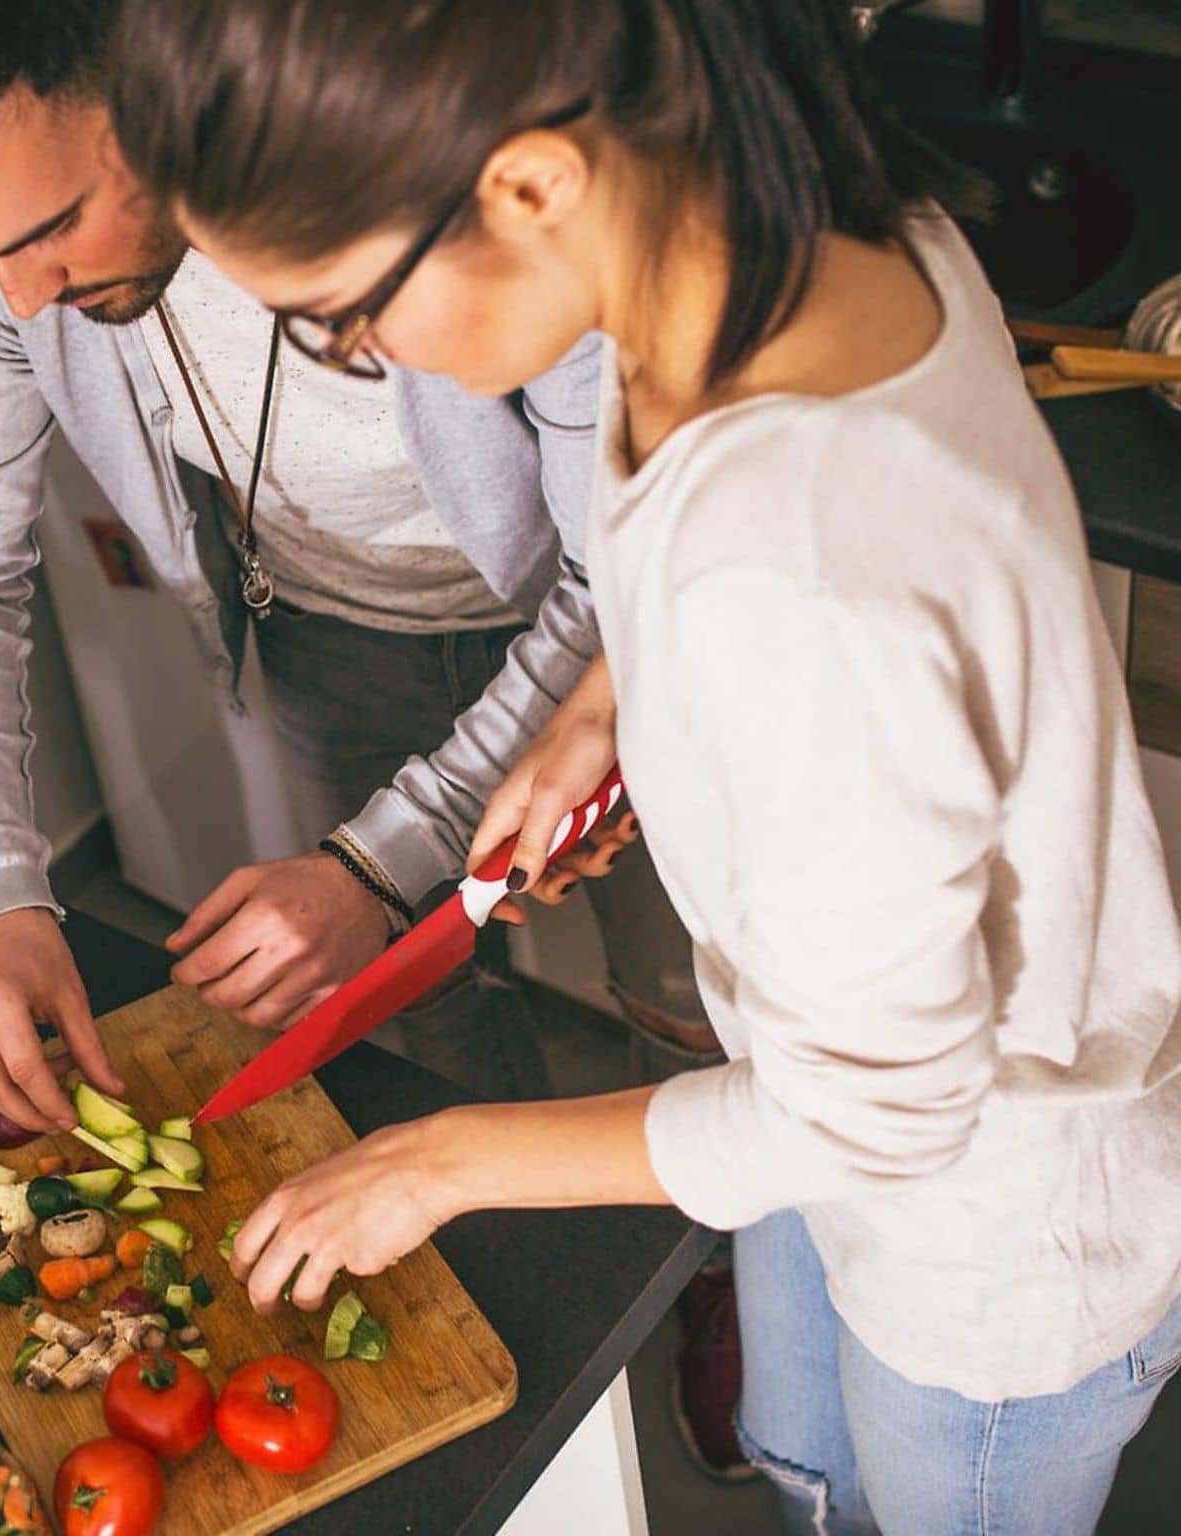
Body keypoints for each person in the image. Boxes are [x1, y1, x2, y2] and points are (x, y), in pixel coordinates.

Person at [109, 1, 1181, 1531]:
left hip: (989, 1241)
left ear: (534, 185)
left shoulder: (800, 578)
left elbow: (887, 1112)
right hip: (815, 1111)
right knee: (805, 1460)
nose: (360, 356)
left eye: (340, 314)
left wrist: (441, 1161)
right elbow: (721, 535)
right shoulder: (765, 228)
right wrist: (613, 706)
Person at [0, 0, 708, 1131]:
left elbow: (625, 566)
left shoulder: (445, 141)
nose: (20, 299)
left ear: (150, 77)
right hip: (333, 625)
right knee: (413, 999)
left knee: (695, 985)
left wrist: (377, 864)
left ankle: (706, 1267)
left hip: (653, 618)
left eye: (47, 229)